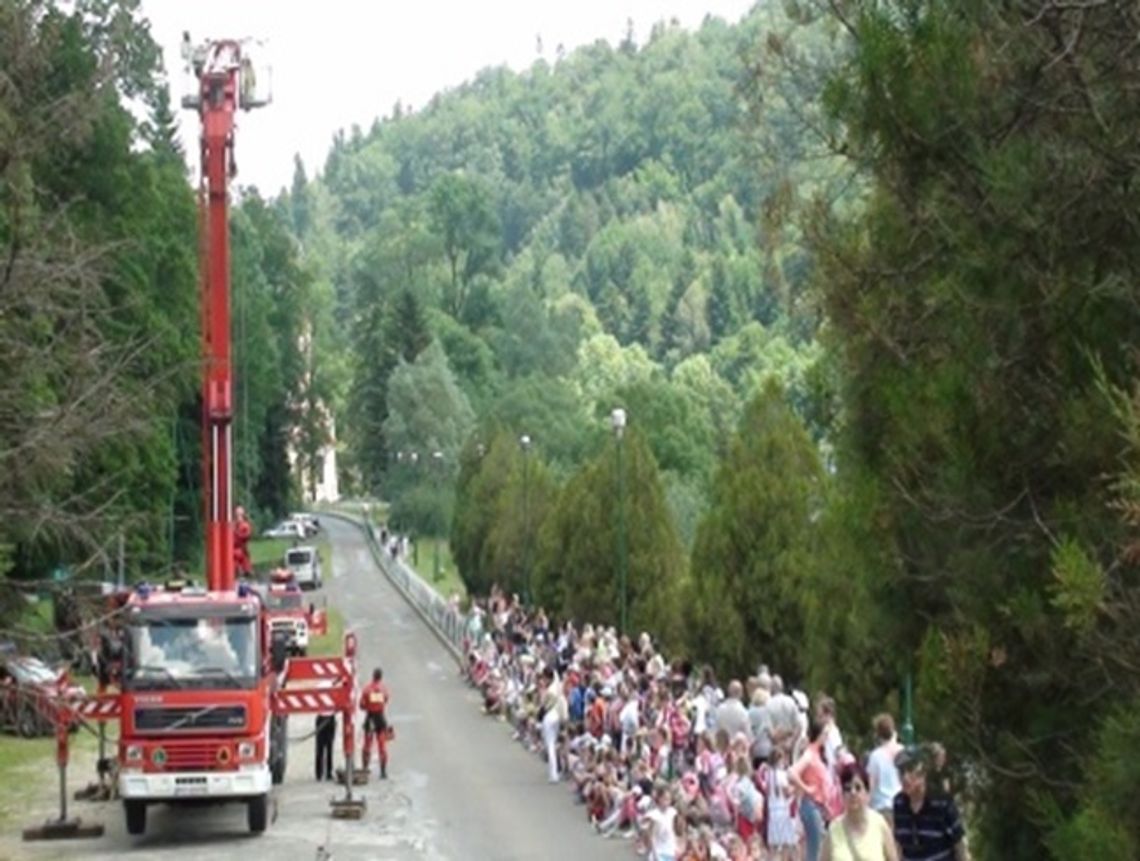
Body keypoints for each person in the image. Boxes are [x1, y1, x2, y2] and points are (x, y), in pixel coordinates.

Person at [892, 747, 969, 861]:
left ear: (923, 773)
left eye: (910, 770)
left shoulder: (942, 803)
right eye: (901, 772)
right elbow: (899, 846)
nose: (905, 777)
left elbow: (960, 845)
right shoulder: (899, 803)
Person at [821, 761, 898, 861]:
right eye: (847, 789)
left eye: (858, 788)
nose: (853, 793)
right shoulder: (834, 829)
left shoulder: (879, 823)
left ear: (867, 792)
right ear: (842, 794)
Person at [789, 720, 830, 861]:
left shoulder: (817, 754)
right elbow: (792, 772)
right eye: (825, 733)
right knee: (814, 849)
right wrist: (805, 787)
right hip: (811, 804)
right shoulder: (810, 753)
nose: (827, 737)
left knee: (818, 847)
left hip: (818, 806)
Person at [867, 714, 903, 827]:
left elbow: (871, 785)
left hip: (881, 806)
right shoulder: (903, 751)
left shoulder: (875, 756)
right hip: (901, 804)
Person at [359, 667, 391, 778]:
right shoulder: (384, 689)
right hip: (380, 719)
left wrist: (369, 705)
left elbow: (362, 705)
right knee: (382, 745)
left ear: (373, 676)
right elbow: (386, 700)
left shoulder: (367, 689)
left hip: (370, 718)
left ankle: (365, 768)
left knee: (367, 745)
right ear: (381, 677)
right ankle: (383, 772)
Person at [314, 710, 336, 781]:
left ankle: (328, 772)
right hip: (321, 717)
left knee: (330, 747)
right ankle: (319, 773)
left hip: (330, 717)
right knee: (320, 748)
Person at [233, 505, 253, 579]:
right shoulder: (232, 525)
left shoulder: (245, 526)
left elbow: (247, 536)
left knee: (245, 567)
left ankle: (245, 572)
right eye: (237, 515)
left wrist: (237, 534)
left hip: (241, 550)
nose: (238, 517)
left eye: (240, 515)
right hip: (233, 551)